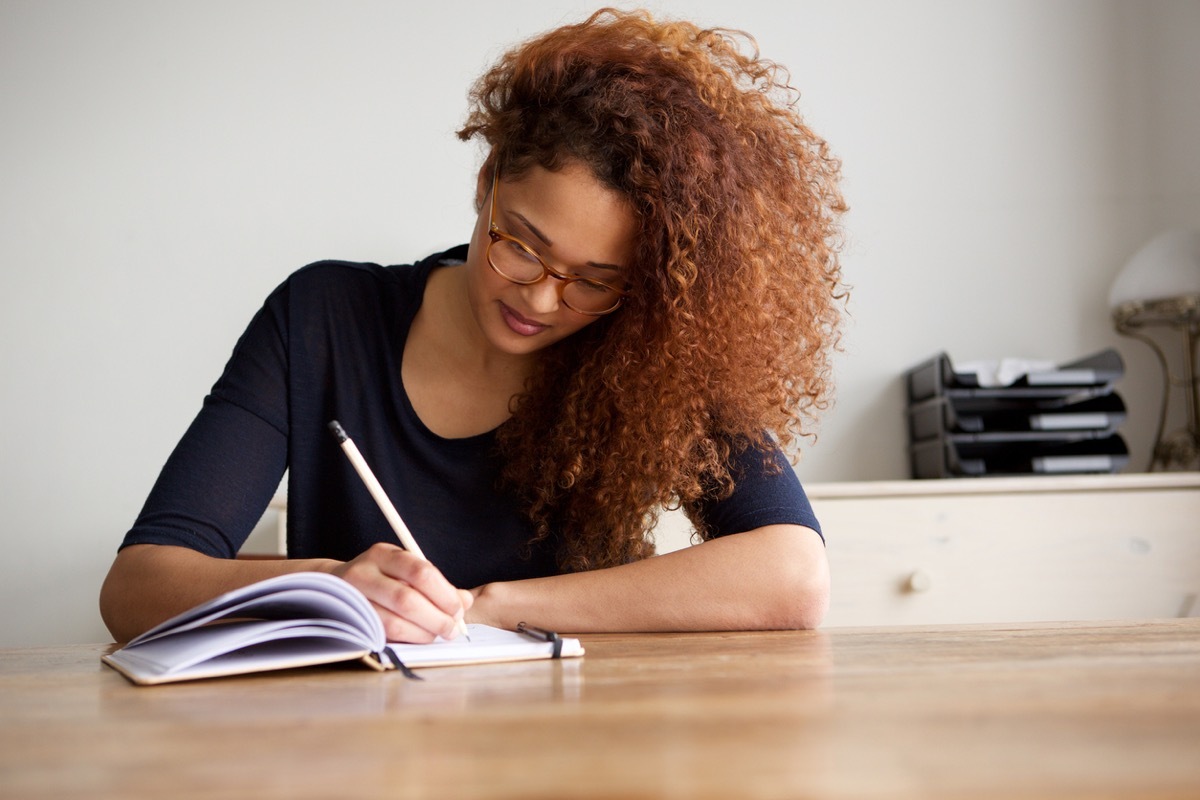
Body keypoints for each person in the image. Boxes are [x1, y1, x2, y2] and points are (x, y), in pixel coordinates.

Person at [99, 7, 846, 645]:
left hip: (584, 745)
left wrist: (490, 606)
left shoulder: (648, 350)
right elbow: (135, 590)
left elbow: (794, 576)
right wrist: (333, 583)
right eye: (522, 246)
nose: (545, 302)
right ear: (486, 182)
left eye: (596, 280)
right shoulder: (322, 319)